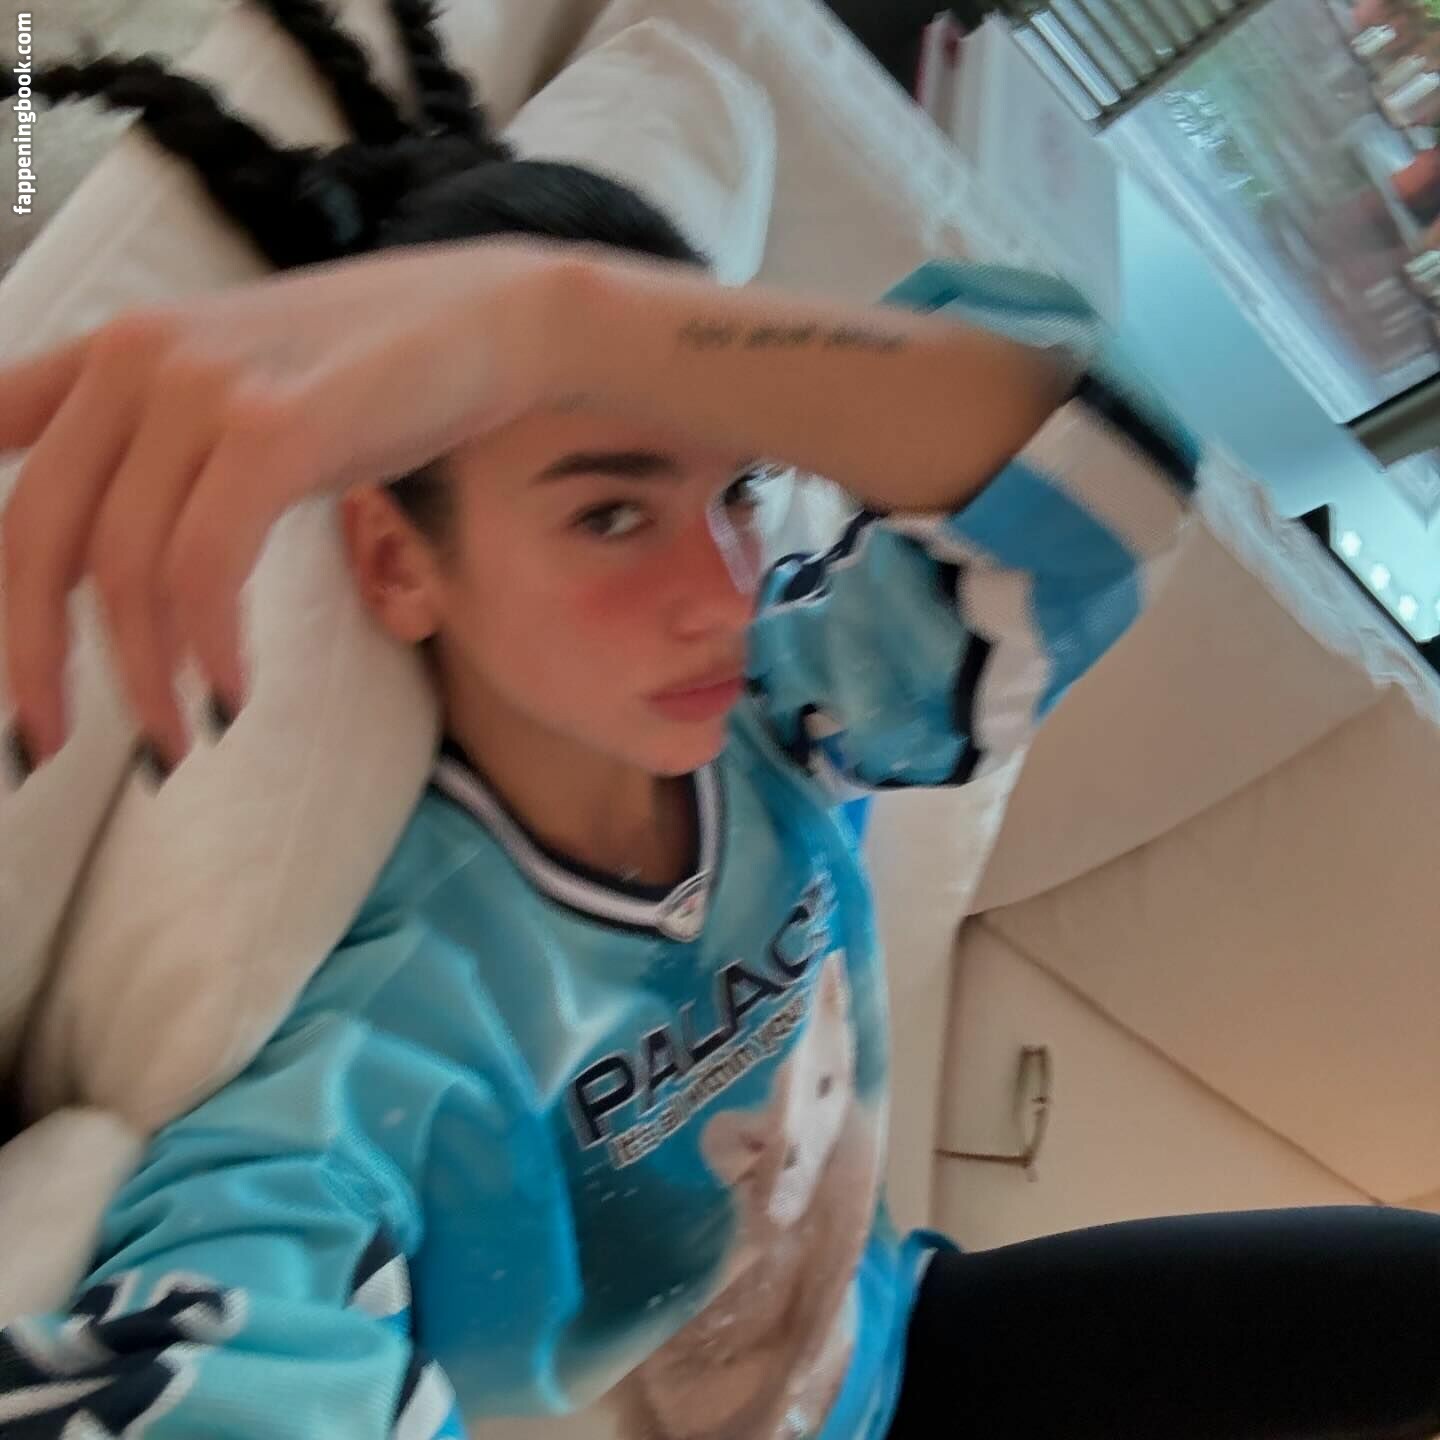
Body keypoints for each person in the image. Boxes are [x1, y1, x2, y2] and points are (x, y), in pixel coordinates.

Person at [2, 2, 1439, 1438]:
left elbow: (1106, 478)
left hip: (908, 1345)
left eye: (738, 489)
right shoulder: (392, 1034)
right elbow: (224, 1350)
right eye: (611, 514)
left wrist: (562, 322)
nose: (719, 591)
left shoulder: (788, 714)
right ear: (395, 560)